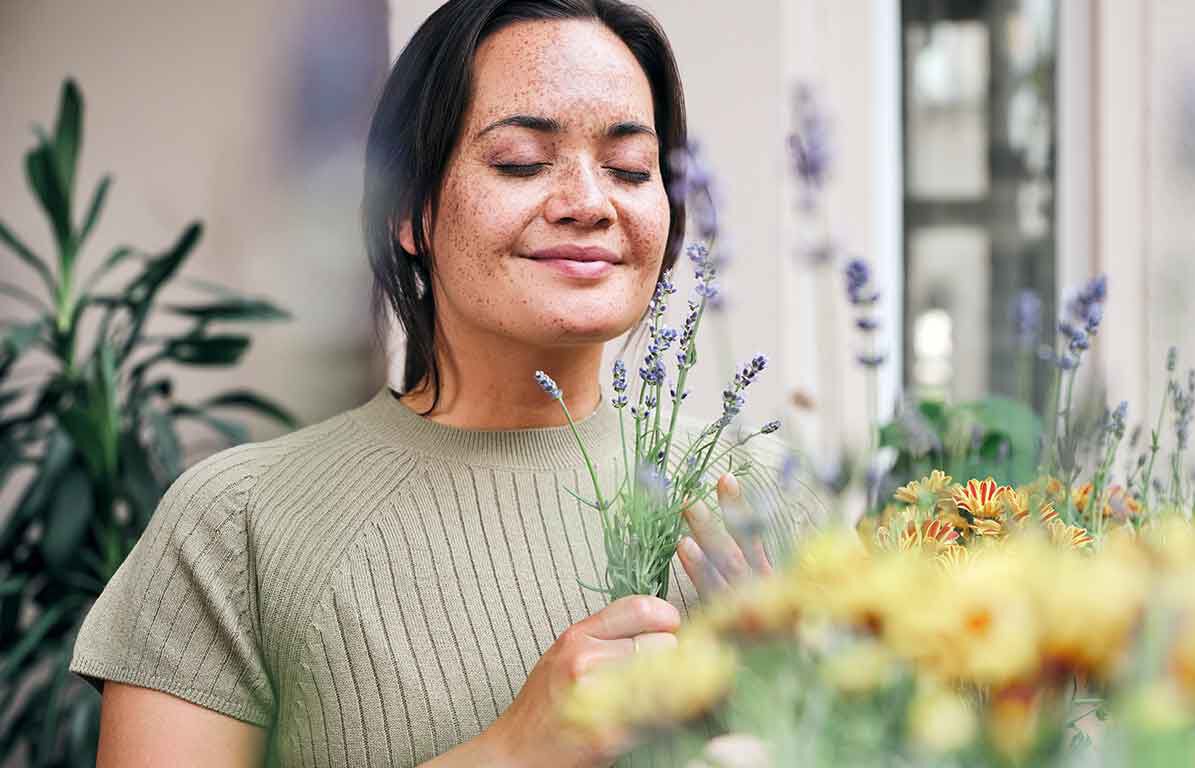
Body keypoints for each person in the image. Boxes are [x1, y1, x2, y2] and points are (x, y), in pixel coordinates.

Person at [69, 1, 822, 766]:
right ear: (409, 211)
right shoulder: (236, 527)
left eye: (630, 169)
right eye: (522, 161)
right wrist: (509, 754)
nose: (591, 204)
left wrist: (791, 703)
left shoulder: (754, 496)